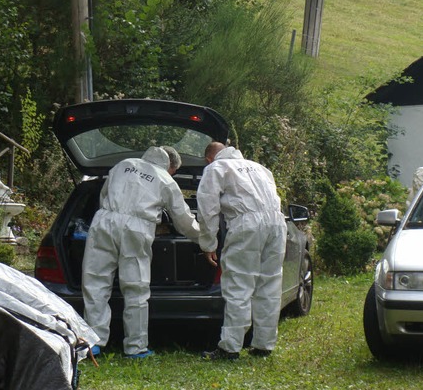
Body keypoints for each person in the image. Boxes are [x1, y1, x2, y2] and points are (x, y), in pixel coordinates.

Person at [82, 146, 202, 358]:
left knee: (95, 282)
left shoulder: (123, 165)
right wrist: (205, 239)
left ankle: (93, 342)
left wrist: (111, 215)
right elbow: (182, 219)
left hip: (104, 220)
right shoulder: (166, 179)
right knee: (135, 287)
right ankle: (135, 347)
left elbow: (104, 194)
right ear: (171, 166)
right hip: (136, 229)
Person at [196, 142, 287, 360]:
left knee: (239, 284)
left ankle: (230, 347)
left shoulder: (216, 169)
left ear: (209, 158)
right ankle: (264, 345)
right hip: (276, 223)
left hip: (247, 224)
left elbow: (207, 209)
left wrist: (208, 244)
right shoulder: (259, 167)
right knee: (269, 284)